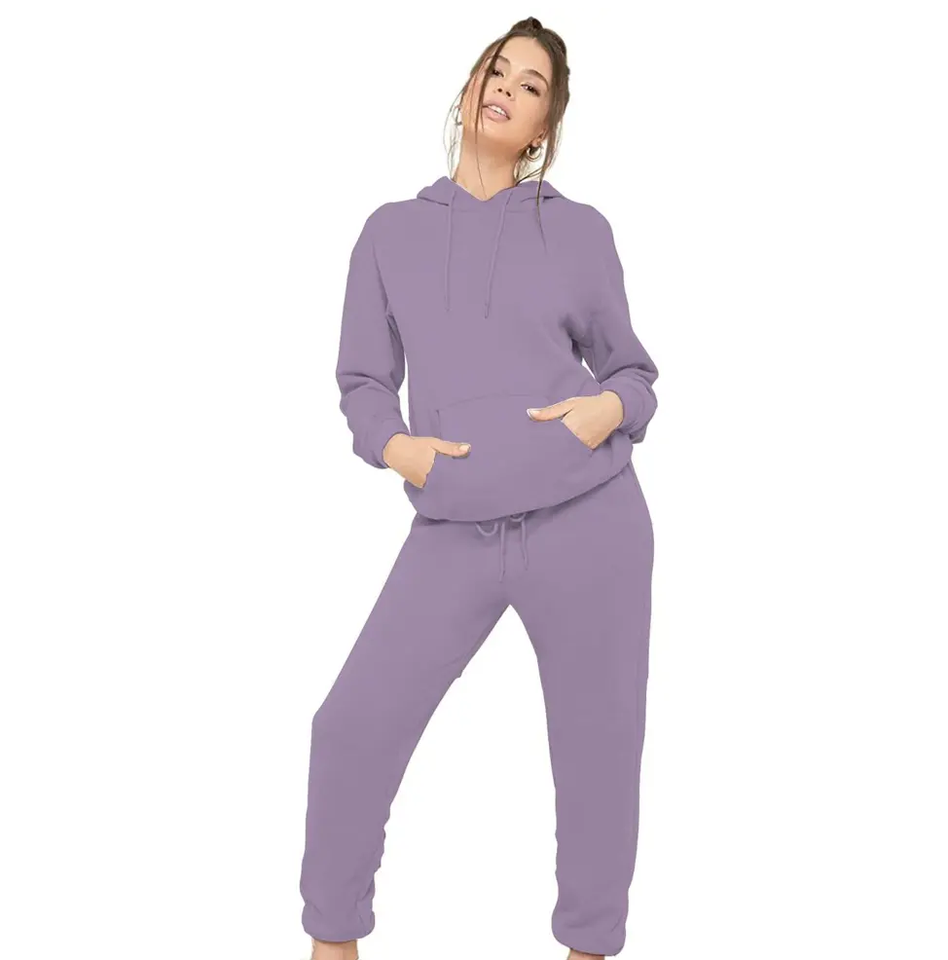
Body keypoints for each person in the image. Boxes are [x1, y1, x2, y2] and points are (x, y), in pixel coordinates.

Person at [300, 17, 658, 960]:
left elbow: (633, 373)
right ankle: (332, 944)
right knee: (350, 730)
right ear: (468, 89)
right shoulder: (391, 233)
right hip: (455, 525)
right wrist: (396, 449)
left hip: (589, 521)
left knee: (597, 755)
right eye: (497, 70)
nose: (506, 87)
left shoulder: (578, 231)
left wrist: (606, 411)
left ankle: (589, 948)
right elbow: (362, 380)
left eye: (531, 86)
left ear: (543, 127)